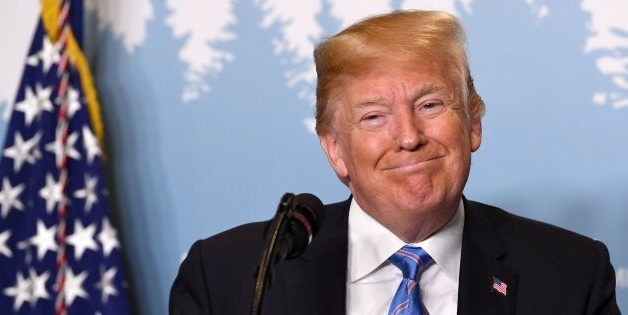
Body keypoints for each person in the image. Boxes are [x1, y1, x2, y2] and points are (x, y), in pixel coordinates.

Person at [169, 10, 620, 315]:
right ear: (335, 150)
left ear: (474, 125)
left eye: (430, 105)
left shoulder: (571, 276)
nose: (408, 137)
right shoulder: (229, 275)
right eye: (373, 116)